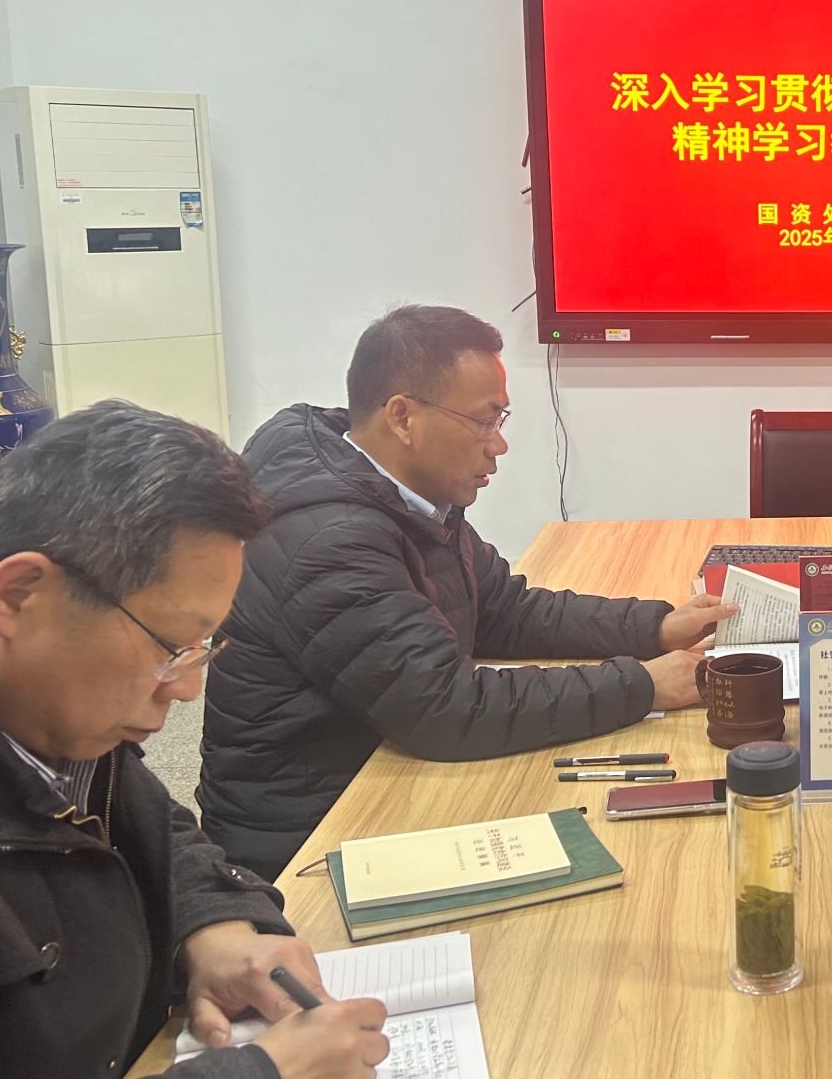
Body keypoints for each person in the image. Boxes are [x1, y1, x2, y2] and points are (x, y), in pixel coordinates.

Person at [0, 401, 391, 1079]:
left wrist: (212, 926)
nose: (188, 688)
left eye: (205, 647)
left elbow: (150, 824)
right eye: (170, 647)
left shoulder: (33, 700)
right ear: (17, 595)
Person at [198, 305, 732, 879]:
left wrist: (654, 627)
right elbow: (444, 707)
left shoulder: (401, 490)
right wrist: (643, 685)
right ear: (402, 417)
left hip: (385, 774)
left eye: (501, 420)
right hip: (308, 839)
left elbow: (504, 609)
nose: (498, 445)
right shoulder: (332, 540)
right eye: (483, 421)